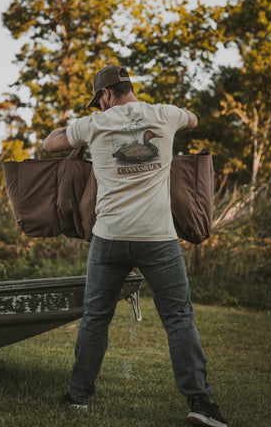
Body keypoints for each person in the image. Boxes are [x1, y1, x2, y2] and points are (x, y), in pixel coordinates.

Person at [43, 65, 228, 427]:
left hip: (109, 238)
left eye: (99, 99)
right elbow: (193, 119)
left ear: (106, 95)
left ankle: (78, 396)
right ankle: (201, 405)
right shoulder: (165, 114)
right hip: (158, 239)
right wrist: (170, 120)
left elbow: (50, 143)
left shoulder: (92, 124)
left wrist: (84, 124)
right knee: (178, 319)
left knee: (96, 318)